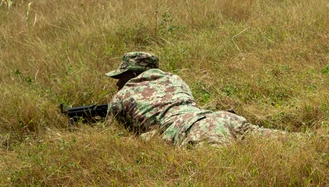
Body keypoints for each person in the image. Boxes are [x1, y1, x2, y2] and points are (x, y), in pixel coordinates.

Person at [105, 51, 291, 146]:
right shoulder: (174, 79)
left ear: (131, 74)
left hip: (190, 132)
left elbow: (113, 136)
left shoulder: (122, 96)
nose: (117, 83)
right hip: (221, 118)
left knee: (224, 172)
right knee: (290, 140)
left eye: (120, 77)